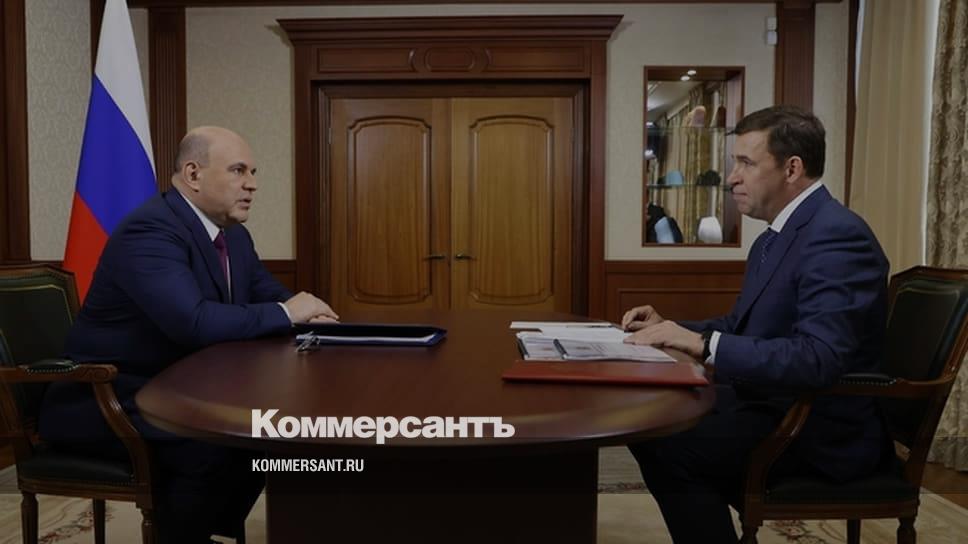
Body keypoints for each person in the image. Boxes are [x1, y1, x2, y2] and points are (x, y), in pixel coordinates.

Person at [39, 126, 338, 543]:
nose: (252, 184)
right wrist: (288, 313)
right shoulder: (150, 231)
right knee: (214, 442)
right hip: (108, 398)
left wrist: (311, 316)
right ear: (194, 174)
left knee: (269, 434)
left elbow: (269, 295)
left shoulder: (233, 236)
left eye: (253, 172)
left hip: (178, 390)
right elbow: (193, 322)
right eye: (238, 170)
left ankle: (207, 531)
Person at [621, 106, 890, 543]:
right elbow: (741, 324)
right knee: (651, 423)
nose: (732, 178)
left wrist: (702, 343)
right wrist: (670, 328)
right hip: (772, 404)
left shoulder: (837, 235)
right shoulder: (774, 237)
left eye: (746, 163)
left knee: (670, 444)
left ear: (792, 169)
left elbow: (819, 358)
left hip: (815, 428)